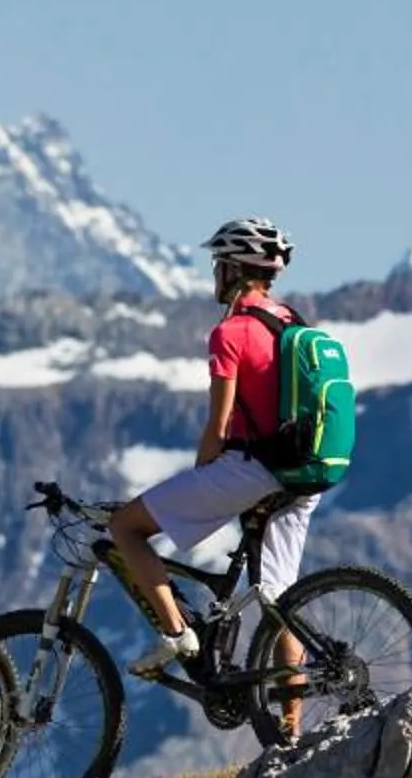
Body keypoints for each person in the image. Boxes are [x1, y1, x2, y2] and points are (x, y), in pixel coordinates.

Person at [107, 216, 317, 690]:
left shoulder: (232, 332)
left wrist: (202, 474)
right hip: (301, 472)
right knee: (277, 599)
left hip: (253, 469)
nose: (214, 274)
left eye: (218, 264)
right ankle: (290, 726)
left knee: (125, 526)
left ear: (235, 271)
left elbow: (218, 426)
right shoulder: (291, 323)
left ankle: (176, 633)